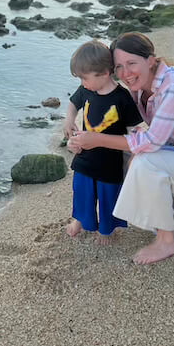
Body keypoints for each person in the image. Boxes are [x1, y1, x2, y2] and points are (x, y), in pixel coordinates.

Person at [69, 31, 174, 265]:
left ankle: (168, 240)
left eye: (131, 63)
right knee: (120, 155)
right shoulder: (139, 88)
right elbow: (144, 133)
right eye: (119, 67)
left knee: (143, 160)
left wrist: (96, 139)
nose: (125, 73)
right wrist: (83, 140)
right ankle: (145, 209)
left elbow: (153, 141)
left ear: (150, 60)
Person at [64, 39, 142, 243]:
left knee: (108, 197)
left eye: (84, 78)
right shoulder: (87, 90)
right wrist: (69, 120)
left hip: (110, 161)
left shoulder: (123, 98)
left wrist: (133, 158)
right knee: (81, 191)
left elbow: (134, 132)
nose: (82, 82)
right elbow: (73, 104)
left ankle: (107, 229)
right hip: (85, 156)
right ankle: (80, 219)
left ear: (105, 73)